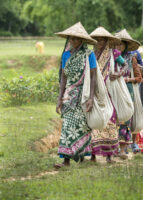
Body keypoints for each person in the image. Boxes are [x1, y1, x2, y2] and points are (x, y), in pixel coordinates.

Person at [54, 22, 98, 168]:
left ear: (82, 40)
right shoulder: (66, 55)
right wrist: (60, 98)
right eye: (71, 39)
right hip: (69, 94)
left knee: (82, 125)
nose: (73, 41)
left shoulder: (89, 55)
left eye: (76, 39)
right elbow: (63, 78)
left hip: (83, 94)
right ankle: (66, 160)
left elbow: (93, 77)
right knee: (67, 124)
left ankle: (81, 155)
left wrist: (91, 97)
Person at [89, 26, 124, 164]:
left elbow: (125, 64)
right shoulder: (91, 54)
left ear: (106, 40)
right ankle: (92, 154)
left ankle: (109, 155)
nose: (99, 42)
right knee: (93, 120)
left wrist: (118, 74)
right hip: (93, 91)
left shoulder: (113, 53)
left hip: (108, 92)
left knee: (110, 119)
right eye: (96, 40)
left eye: (101, 40)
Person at [115, 29, 143, 159]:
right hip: (115, 90)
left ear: (126, 45)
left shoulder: (132, 58)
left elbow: (139, 78)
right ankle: (112, 148)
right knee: (113, 118)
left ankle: (122, 149)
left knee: (124, 120)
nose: (119, 47)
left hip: (128, 90)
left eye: (122, 44)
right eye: (117, 44)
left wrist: (127, 79)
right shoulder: (112, 57)